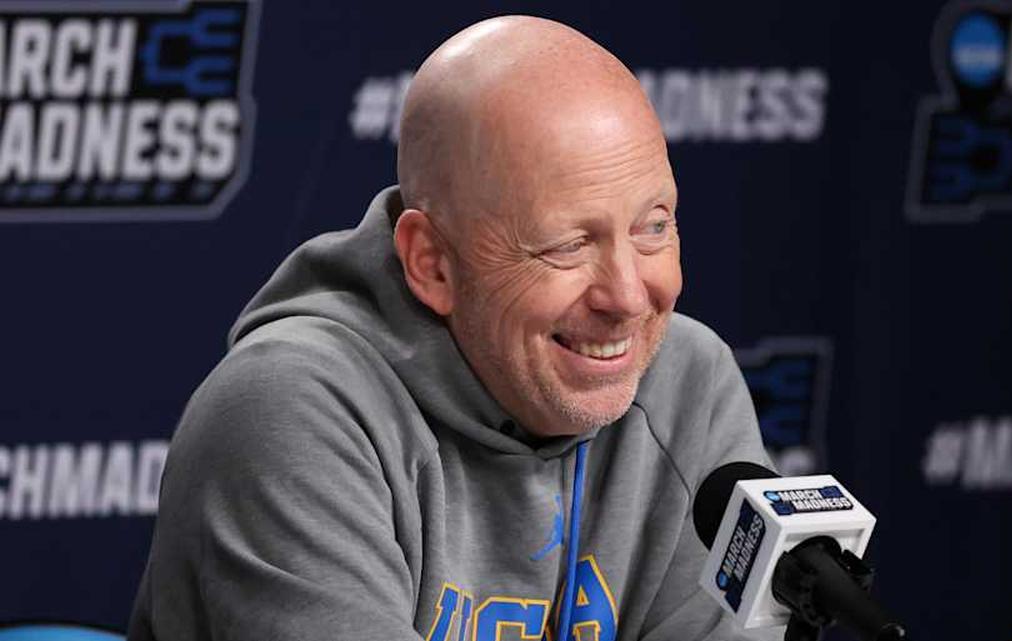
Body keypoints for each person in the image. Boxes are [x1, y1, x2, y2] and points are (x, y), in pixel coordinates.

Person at [128, 15, 776, 641]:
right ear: (432, 264)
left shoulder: (686, 384)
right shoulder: (289, 408)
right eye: (567, 245)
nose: (630, 296)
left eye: (653, 225)